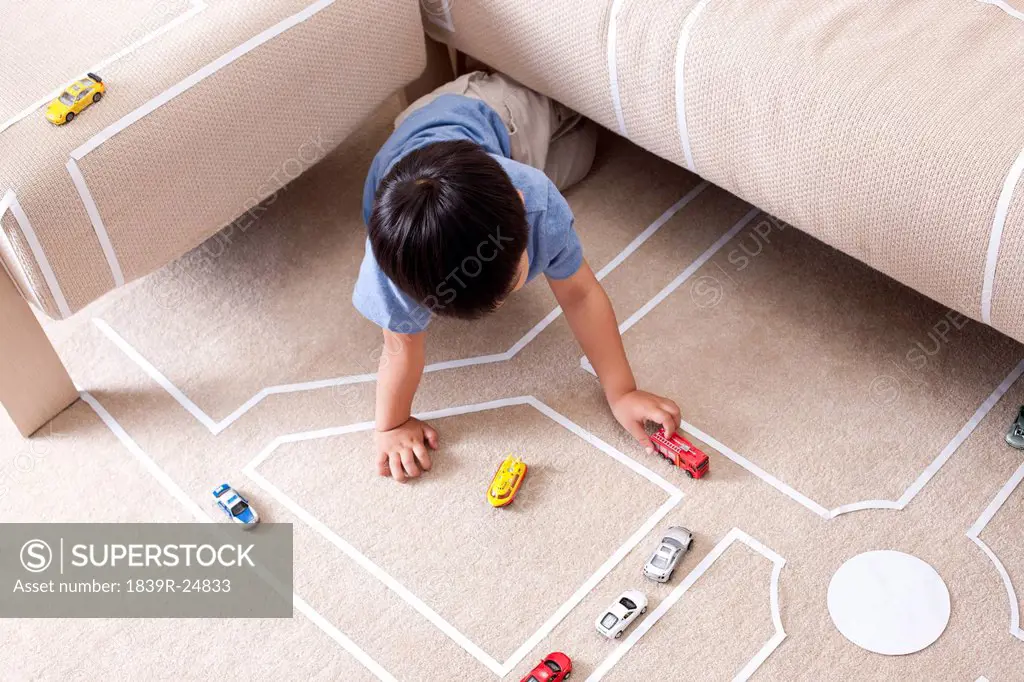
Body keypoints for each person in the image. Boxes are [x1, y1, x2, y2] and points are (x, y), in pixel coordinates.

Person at [355, 71, 681, 481]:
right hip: (428, 140)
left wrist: (622, 391)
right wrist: (391, 425)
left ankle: (549, 95)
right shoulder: (393, 266)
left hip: (490, 109)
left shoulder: (536, 200)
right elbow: (399, 349)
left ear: (521, 207)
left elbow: (579, 294)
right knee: (574, 157)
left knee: (583, 138)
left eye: (508, 286)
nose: (498, 305)